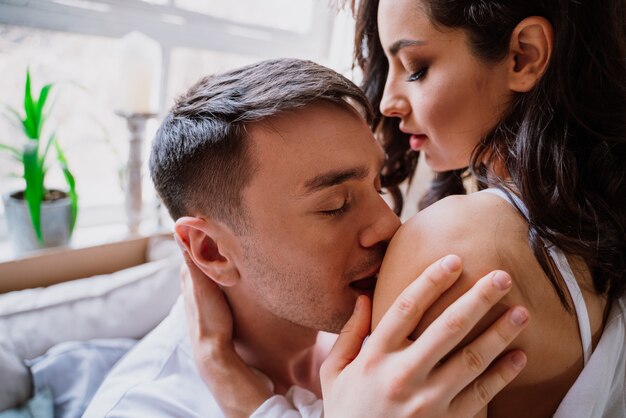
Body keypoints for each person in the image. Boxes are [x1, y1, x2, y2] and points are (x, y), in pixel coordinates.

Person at [190, 0, 625, 417]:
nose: (387, 103)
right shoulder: (587, 226)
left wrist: (241, 394)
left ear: (522, 56)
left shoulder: (448, 247)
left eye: (416, 68)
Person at [82, 58, 529, 418]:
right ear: (211, 250)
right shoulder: (146, 407)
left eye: (378, 187)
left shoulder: (392, 329)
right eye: (334, 205)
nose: (390, 227)